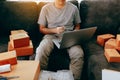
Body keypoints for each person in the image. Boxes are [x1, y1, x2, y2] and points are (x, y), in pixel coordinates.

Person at [35, 0, 84, 80]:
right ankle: (40, 77)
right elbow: (41, 29)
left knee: (78, 53)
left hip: (69, 36)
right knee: (40, 51)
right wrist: (55, 30)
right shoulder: (45, 8)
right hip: (51, 36)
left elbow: (77, 25)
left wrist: (75, 32)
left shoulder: (73, 8)